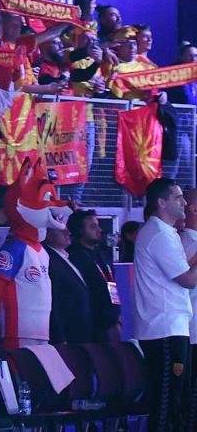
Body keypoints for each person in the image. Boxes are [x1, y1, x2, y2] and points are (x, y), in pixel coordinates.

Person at [132, 178, 197, 430]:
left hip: (173, 326)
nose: (183, 202)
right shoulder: (157, 233)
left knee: (176, 402)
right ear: (161, 202)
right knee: (167, 402)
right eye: (177, 197)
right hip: (164, 328)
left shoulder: (166, 232)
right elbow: (188, 280)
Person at [66, 209, 121, 341]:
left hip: (110, 321)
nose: (99, 230)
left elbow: (111, 283)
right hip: (87, 326)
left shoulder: (102, 253)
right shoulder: (72, 256)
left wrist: (116, 315)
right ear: (79, 230)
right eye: (92, 226)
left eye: (98, 225)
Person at [45, 222, 95, 344]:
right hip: (68, 334)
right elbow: (53, 302)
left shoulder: (68, 258)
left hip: (81, 331)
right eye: (61, 230)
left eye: (67, 229)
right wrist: (59, 336)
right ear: (47, 234)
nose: (67, 233)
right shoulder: (49, 261)